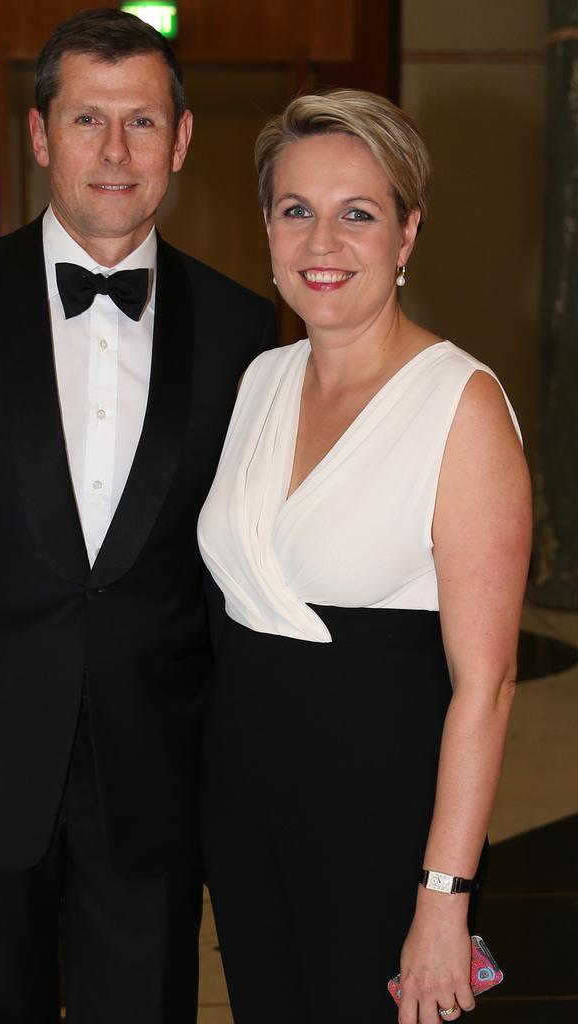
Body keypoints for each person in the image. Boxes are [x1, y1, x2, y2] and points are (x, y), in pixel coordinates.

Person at [0, 9, 276, 1022]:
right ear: (40, 135)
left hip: (157, 782)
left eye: (141, 122)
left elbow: (237, 574)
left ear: (182, 137)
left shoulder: (242, 326)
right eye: (88, 120)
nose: (115, 153)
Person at [198, 89, 531, 1024]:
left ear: (407, 234)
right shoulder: (261, 379)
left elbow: (488, 684)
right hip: (247, 807)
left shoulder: (459, 405)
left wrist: (442, 895)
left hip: (381, 822)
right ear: (266, 225)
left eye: (359, 214)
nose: (321, 243)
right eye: (296, 210)